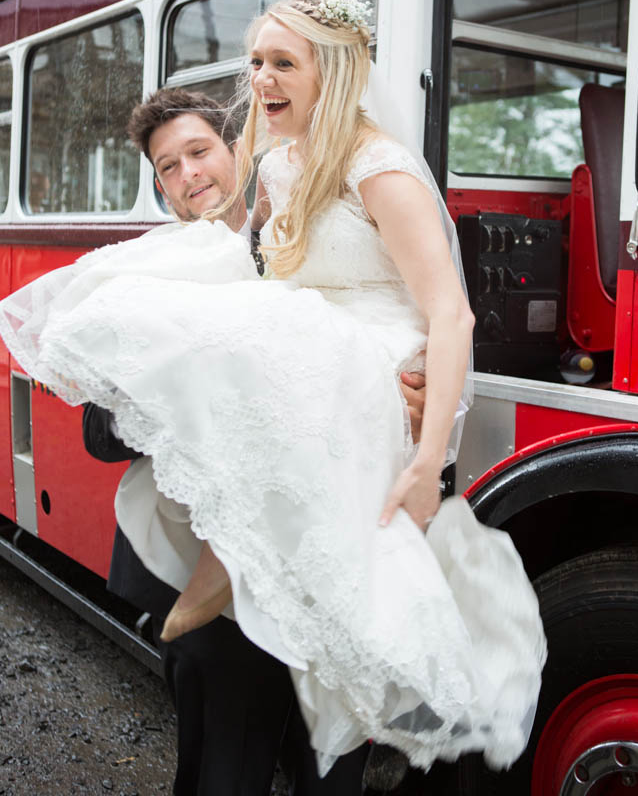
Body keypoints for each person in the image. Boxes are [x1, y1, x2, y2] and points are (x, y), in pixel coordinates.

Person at [0, 0, 546, 778]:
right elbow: (115, 417)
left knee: (331, 760)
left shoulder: (369, 170)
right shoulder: (256, 199)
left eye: (281, 63)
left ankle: (236, 580)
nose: (260, 79)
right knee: (223, 759)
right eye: (254, 62)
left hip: (352, 414)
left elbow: (443, 317)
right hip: (251, 543)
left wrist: (417, 439)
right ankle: (220, 566)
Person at [83, 86, 427, 795]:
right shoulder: (152, 271)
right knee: (220, 774)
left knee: (330, 775)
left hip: (331, 575)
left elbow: (390, 331)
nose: (189, 176)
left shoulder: (316, 242)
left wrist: (383, 385)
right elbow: (100, 433)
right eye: (168, 167)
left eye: (199, 152)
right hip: (217, 593)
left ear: (237, 150)